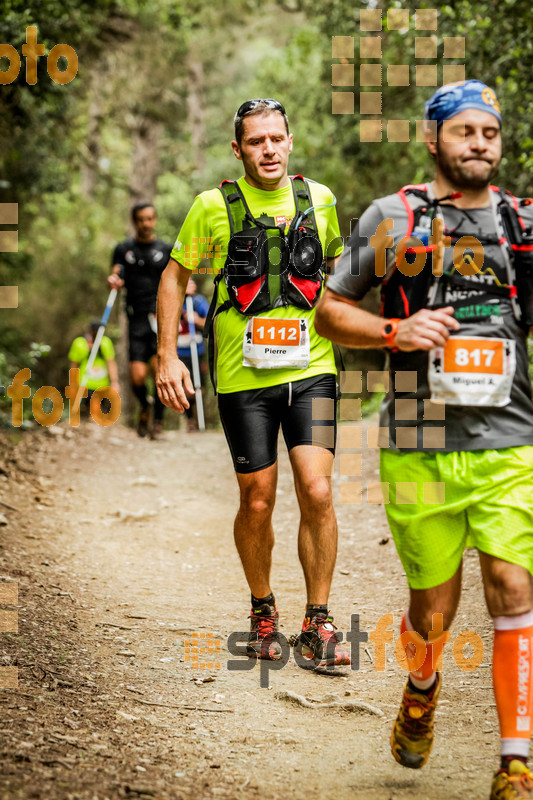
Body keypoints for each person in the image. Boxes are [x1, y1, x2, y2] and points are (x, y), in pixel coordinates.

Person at [315, 80, 533, 798]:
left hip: (509, 440)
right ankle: (421, 684)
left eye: (489, 133)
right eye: (464, 131)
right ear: (432, 139)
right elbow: (328, 310)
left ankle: (514, 762)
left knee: (510, 585)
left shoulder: (520, 226)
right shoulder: (391, 220)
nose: (478, 144)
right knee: (432, 608)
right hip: (416, 436)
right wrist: (393, 330)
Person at [156, 98, 350, 668]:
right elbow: (174, 277)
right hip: (244, 379)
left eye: (276, 139)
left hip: (313, 368)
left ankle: (319, 623)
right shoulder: (211, 207)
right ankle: (263, 612)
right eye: (256, 141)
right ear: (238, 148)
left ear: (290, 142)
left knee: (317, 490)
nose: (268, 149)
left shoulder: (321, 201)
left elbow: (338, 273)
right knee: (257, 500)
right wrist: (168, 356)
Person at [107, 203, 173, 439]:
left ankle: (156, 423)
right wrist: (114, 279)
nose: (145, 224)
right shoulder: (124, 249)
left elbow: (176, 279)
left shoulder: (166, 249)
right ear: (135, 222)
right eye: (141, 220)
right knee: (137, 376)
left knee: (160, 375)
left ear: (155, 220)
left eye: (149, 219)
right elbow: (117, 273)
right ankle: (144, 406)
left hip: (161, 318)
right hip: (135, 320)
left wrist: (187, 289)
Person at [177, 277, 209, 431]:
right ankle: (190, 419)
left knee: (199, 387)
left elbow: (208, 322)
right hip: (179, 351)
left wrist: (196, 320)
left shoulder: (198, 301)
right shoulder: (175, 299)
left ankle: (199, 418)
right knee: (185, 387)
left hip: (197, 350)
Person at [68, 321, 119, 414]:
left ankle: (97, 421)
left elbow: (111, 362)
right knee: (92, 406)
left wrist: (114, 382)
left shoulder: (106, 343)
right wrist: (73, 383)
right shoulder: (79, 343)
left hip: (102, 384)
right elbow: (74, 364)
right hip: (85, 383)